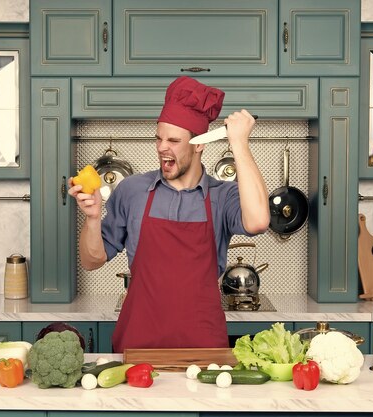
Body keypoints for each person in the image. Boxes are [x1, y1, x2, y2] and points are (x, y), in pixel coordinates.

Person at [68, 76, 270, 352]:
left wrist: (240, 144)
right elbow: (91, 261)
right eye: (159, 138)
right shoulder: (132, 190)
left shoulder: (223, 196)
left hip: (203, 345)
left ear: (199, 145)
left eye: (174, 140)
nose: (163, 147)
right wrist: (92, 218)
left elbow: (258, 221)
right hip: (138, 341)